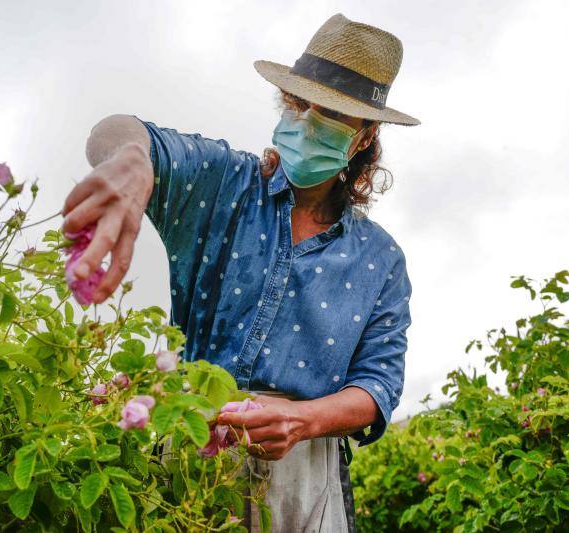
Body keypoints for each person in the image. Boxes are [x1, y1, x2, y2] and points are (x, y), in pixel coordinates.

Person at [61, 12, 419, 532]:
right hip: (191, 450)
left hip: (303, 470)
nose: (306, 122)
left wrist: (303, 419)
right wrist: (134, 160)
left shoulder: (379, 258)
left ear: (363, 138)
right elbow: (122, 132)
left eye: (332, 116)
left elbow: (379, 385)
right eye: (300, 105)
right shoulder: (226, 185)